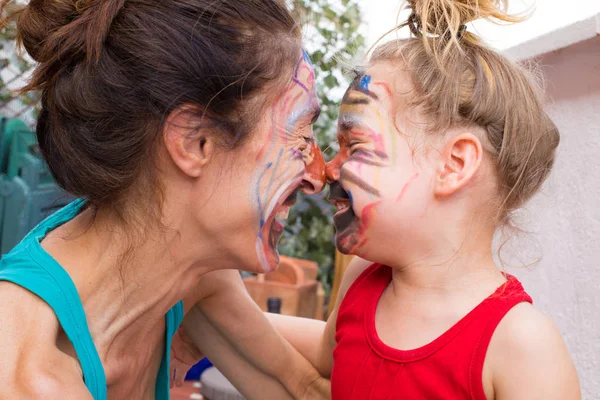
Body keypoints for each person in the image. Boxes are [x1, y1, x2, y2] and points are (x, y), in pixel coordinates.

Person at [0, 0, 329, 399]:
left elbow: (302, 390)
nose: (319, 177)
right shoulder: (27, 377)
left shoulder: (193, 278)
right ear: (195, 143)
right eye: (301, 135)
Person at [267, 0, 581, 398]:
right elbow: (330, 353)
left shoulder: (521, 347)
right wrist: (212, 312)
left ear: (454, 164)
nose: (329, 169)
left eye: (355, 147)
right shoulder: (362, 279)